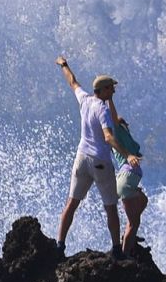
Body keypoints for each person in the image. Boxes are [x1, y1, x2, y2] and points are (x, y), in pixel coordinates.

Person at [54, 56, 140, 256]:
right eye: (110, 88)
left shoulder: (84, 99)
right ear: (101, 91)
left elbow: (72, 82)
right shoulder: (102, 110)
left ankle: (60, 244)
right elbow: (108, 137)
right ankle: (117, 250)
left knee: (72, 202)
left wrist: (64, 65)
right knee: (111, 207)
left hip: (81, 158)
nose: (114, 90)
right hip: (100, 162)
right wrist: (127, 155)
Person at [108, 103, 148, 256]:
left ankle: (129, 235)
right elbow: (113, 119)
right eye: (124, 125)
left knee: (143, 200)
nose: (127, 127)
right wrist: (109, 100)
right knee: (133, 222)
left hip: (127, 180)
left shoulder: (126, 141)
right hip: (125, 180)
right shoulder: (117, 132)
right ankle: (124, 255)